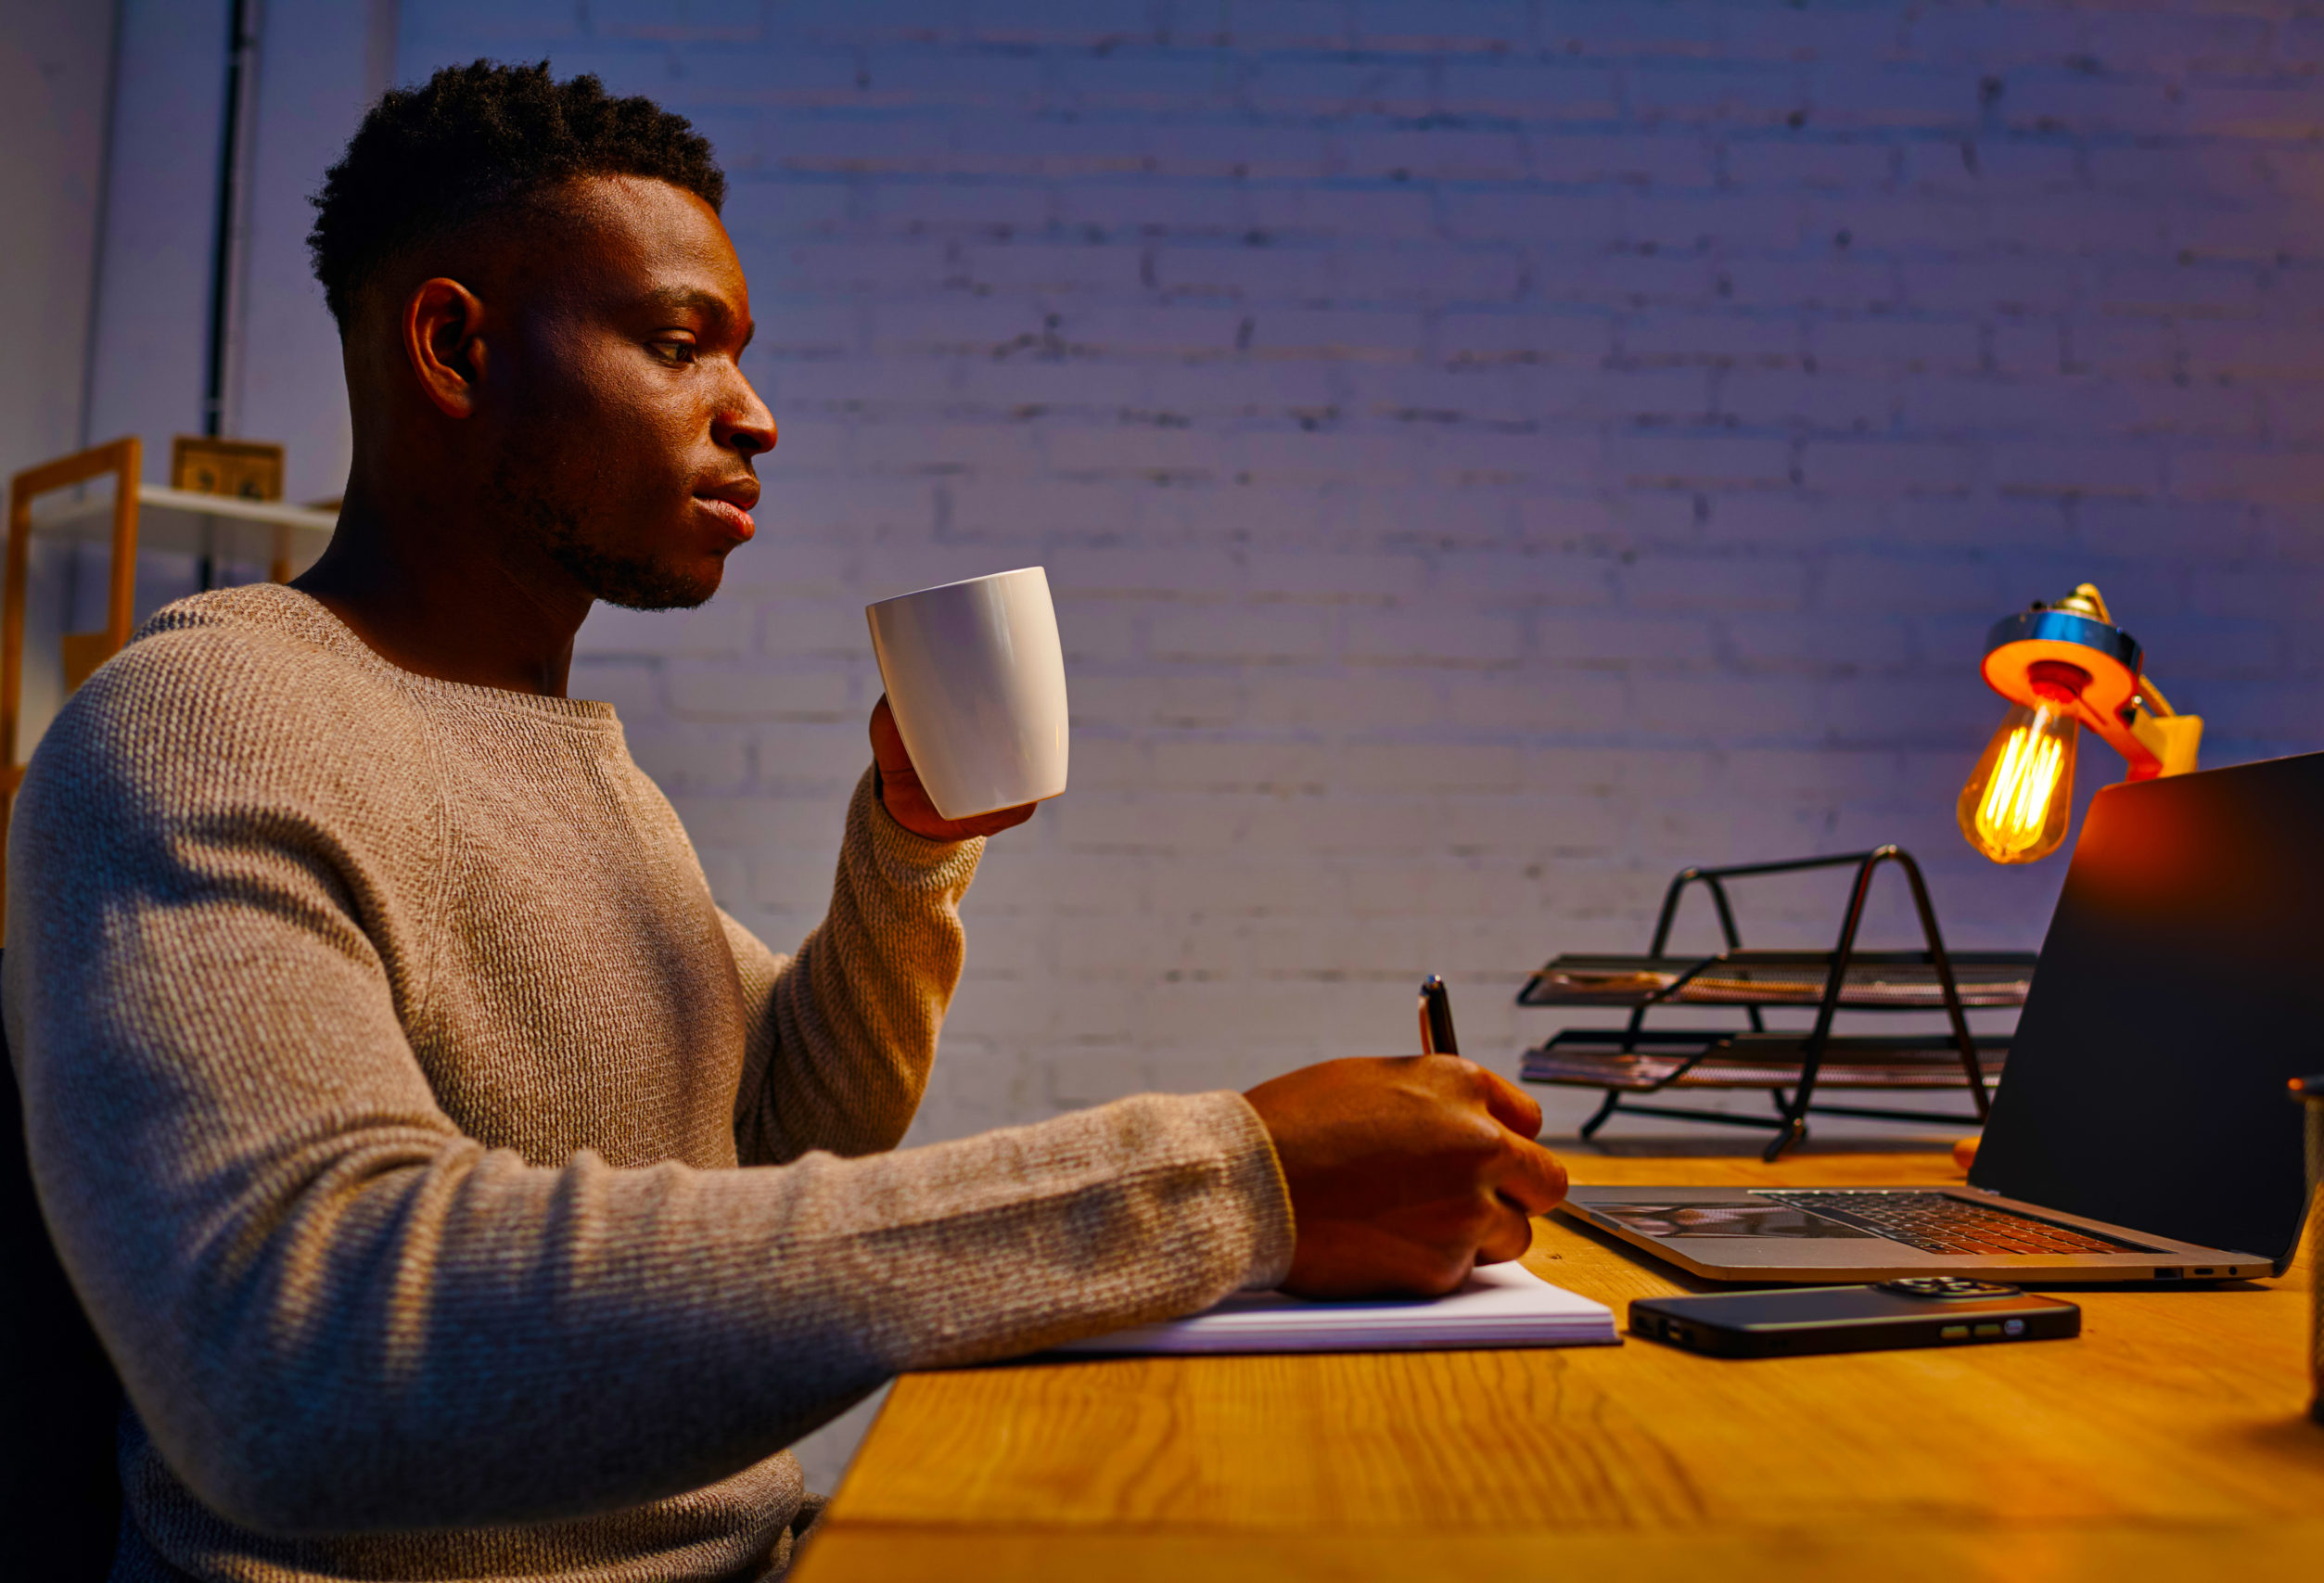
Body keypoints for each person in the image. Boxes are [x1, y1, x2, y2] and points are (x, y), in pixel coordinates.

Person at [3, 61, 1567, 1583]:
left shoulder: (577, 766)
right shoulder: (211, 724)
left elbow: (788, 1126)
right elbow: (302, 1357)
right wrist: (1231, 1181)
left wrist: (903, 845)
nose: (753, 415)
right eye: (683, 344)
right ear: (456, 345)